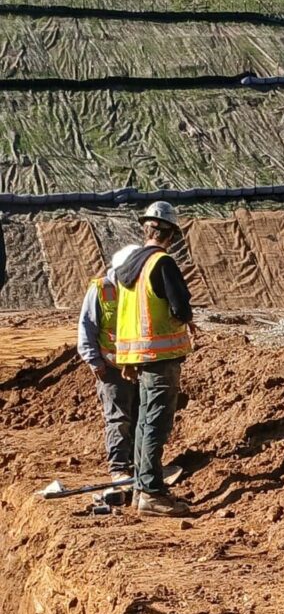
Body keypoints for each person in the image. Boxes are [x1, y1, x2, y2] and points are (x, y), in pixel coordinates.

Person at [114, 202, 198, 517]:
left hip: (139, 355)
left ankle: (141, 487)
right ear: (171, 234)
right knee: (156, 424)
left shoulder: (130, 266)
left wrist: (126, 357)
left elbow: (127, 315)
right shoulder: (161, 263)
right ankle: (151, 491)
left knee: (144, 421)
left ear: (146, 229)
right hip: (161, 356)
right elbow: (180, 308)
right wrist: (186, 320)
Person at [77, 244, 140, 484]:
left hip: (138, 364)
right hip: (111, 367)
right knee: (118, 418)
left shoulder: (138, 289)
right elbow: (86, 327)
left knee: (139, 416)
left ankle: (139, 464)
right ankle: (119, 467)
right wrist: (94, 361)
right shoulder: (101, 290)